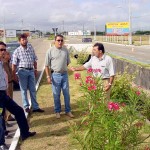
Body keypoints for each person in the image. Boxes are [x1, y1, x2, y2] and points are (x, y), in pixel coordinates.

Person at [0, 41, 36, 149]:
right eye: (1, 50)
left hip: (3, 94)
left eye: (4, 50)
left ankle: (25, 133)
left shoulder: (2, 63)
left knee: (19, 111)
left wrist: (6, 90)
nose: (3, 52)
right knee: (0, 118)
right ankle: (1, 143)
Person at [12, 34, 44, 113]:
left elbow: (34, 60)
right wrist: (14, 75)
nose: (25, 41)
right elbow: (14, 64)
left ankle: (35, 107)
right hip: (22, 72)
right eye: (23, 40)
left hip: (31, 71)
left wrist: (35, 69)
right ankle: (26, 107)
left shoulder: (30, 48)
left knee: (33, 89)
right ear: (19, 41)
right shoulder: (17, 51)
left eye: (25, 39)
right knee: (23, 90)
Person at [45, 34, 74, 119]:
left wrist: (70, 67)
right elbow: (46, 65)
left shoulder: (65, 50)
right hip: (55, 75)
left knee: (66, 94)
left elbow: (68, 63)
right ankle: (57, 111)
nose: (60, 42)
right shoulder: (50, 51)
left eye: (61, 40)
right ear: (55, 41)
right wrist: (48, 76)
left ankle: (68, 111)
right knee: (56, 95)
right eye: (58, 40)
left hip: (64, 75)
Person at [2, 51, 15, 122]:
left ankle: (9, 115)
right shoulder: (3, 64)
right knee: (5, 103)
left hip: (10, 83)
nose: (9, 55)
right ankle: (4, 119)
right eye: (7, 54)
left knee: (10, 99)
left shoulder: (8, 63)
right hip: (5, 85)